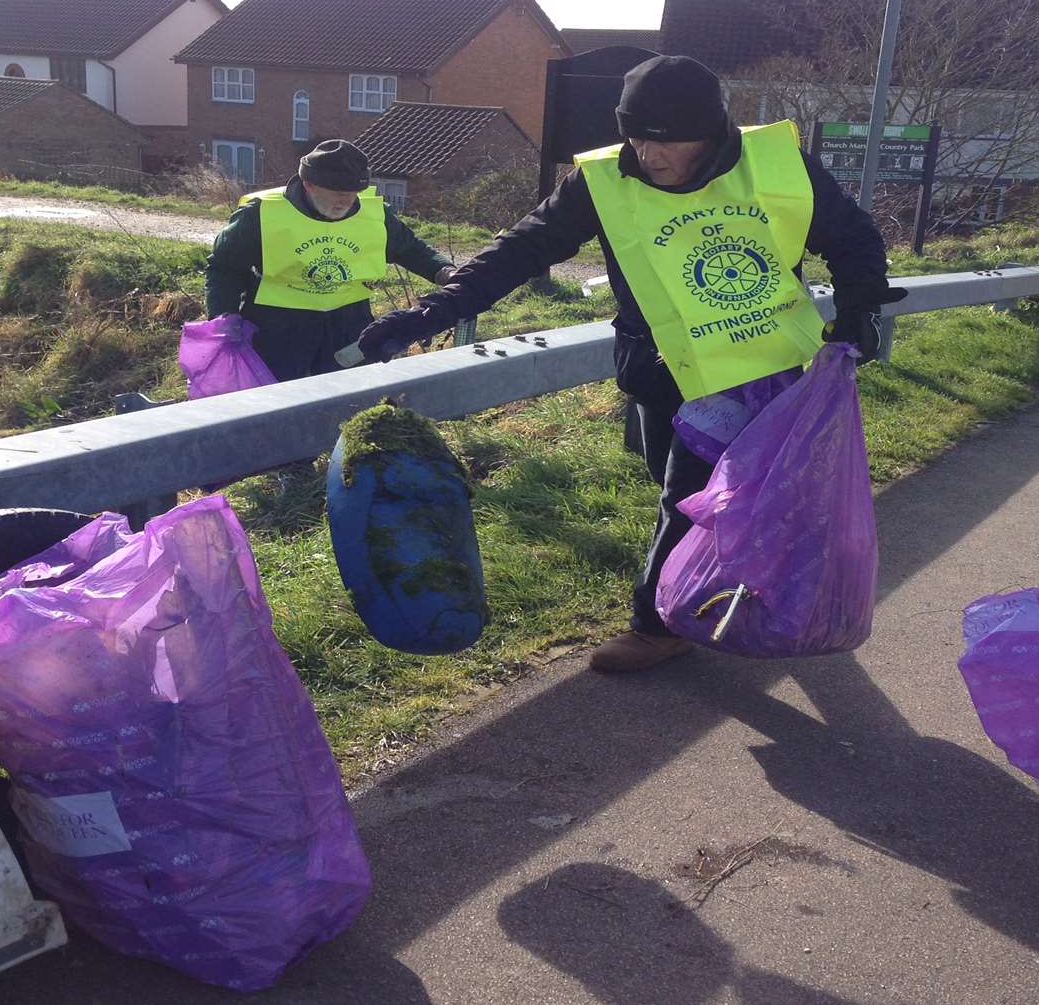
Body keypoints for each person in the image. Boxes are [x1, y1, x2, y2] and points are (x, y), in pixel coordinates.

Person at [356, 55, 900, 672]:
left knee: (687, 492)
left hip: (756, 368)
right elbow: (525, 247)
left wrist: (861, 309)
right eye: (637, 136)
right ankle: (739, 578)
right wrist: (430, 313)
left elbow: (853, 237)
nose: (649, 154)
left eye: (668, 141)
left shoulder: (776, 167)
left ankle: (658, 626)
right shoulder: (602, 179)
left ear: (713, 133)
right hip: (655, 363)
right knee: (671, 479)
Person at [205, 139, 457, 381]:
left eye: (353, 192)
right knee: (277, 405)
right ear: (309, 184)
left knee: (348, 402)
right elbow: (224, 268)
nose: (346, 201)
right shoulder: (262, 214)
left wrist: (443, 271)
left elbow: (409, 249)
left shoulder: (375, 214)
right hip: (278, 328)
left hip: (349, 325)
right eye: (337, 192)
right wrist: (223, 319)